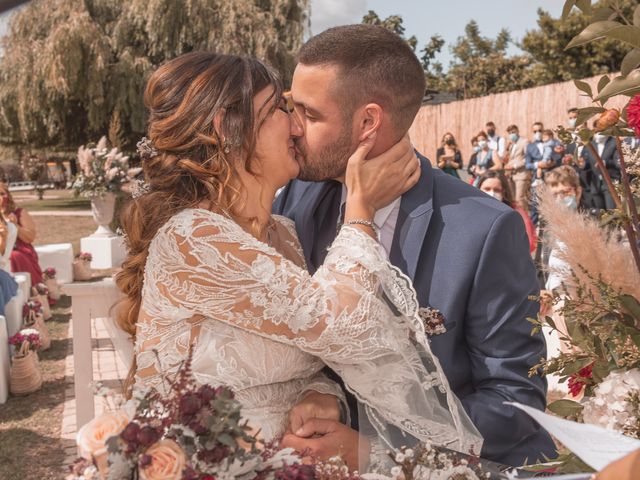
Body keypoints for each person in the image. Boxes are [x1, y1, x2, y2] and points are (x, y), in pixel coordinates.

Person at [116, 52, 481, 472]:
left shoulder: (283, 233)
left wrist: (322, 394)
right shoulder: (193, 238)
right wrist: (361, 211)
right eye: (277, 109)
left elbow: (304, 352)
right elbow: (341, 324)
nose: (294, 125)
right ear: (227, 128)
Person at [274, 24, 555, 466]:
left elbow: (514, 402)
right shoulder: (295, 199)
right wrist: (326, 396)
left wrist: (374, 448)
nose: (291, 127)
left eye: (309, 115)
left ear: (368, 122)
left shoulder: (483, 229)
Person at [477, 171, 536, 254]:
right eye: (487, 189)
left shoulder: (515, 213)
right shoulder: (472, 211)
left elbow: (529, 243)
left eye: (497, 190)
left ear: (504, 192)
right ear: (479, 189)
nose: (492, 193)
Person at [0, 183, 42, 284]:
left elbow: (30, 237)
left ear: (8, 195)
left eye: (2, 194)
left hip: (20, 249)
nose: (0, 197)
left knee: (14, 256)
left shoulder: (19, 213)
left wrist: (15, 226)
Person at [579, 129, 620, 210]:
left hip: (610, 182)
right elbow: (588, 162)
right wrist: (582, 164)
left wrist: (605, 163)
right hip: (595, 183)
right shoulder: (591, 144)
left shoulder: (614, 142)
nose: (599, 134)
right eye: (596, 131)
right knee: (600, 212)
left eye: (601, 131)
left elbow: (618, 162)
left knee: (612, 211)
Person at [503, 125, 531, 213]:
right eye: (510, 133)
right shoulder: (511, 144)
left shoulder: (524, 142)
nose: (512, 135)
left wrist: (515, 166)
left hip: (521, 174)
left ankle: (525, 219)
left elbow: (528, 158)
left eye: (513, 132)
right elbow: (507, 158)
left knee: (520, 198)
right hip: (510, 175)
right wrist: (506, 149)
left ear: (518, 131)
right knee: (513, 199)